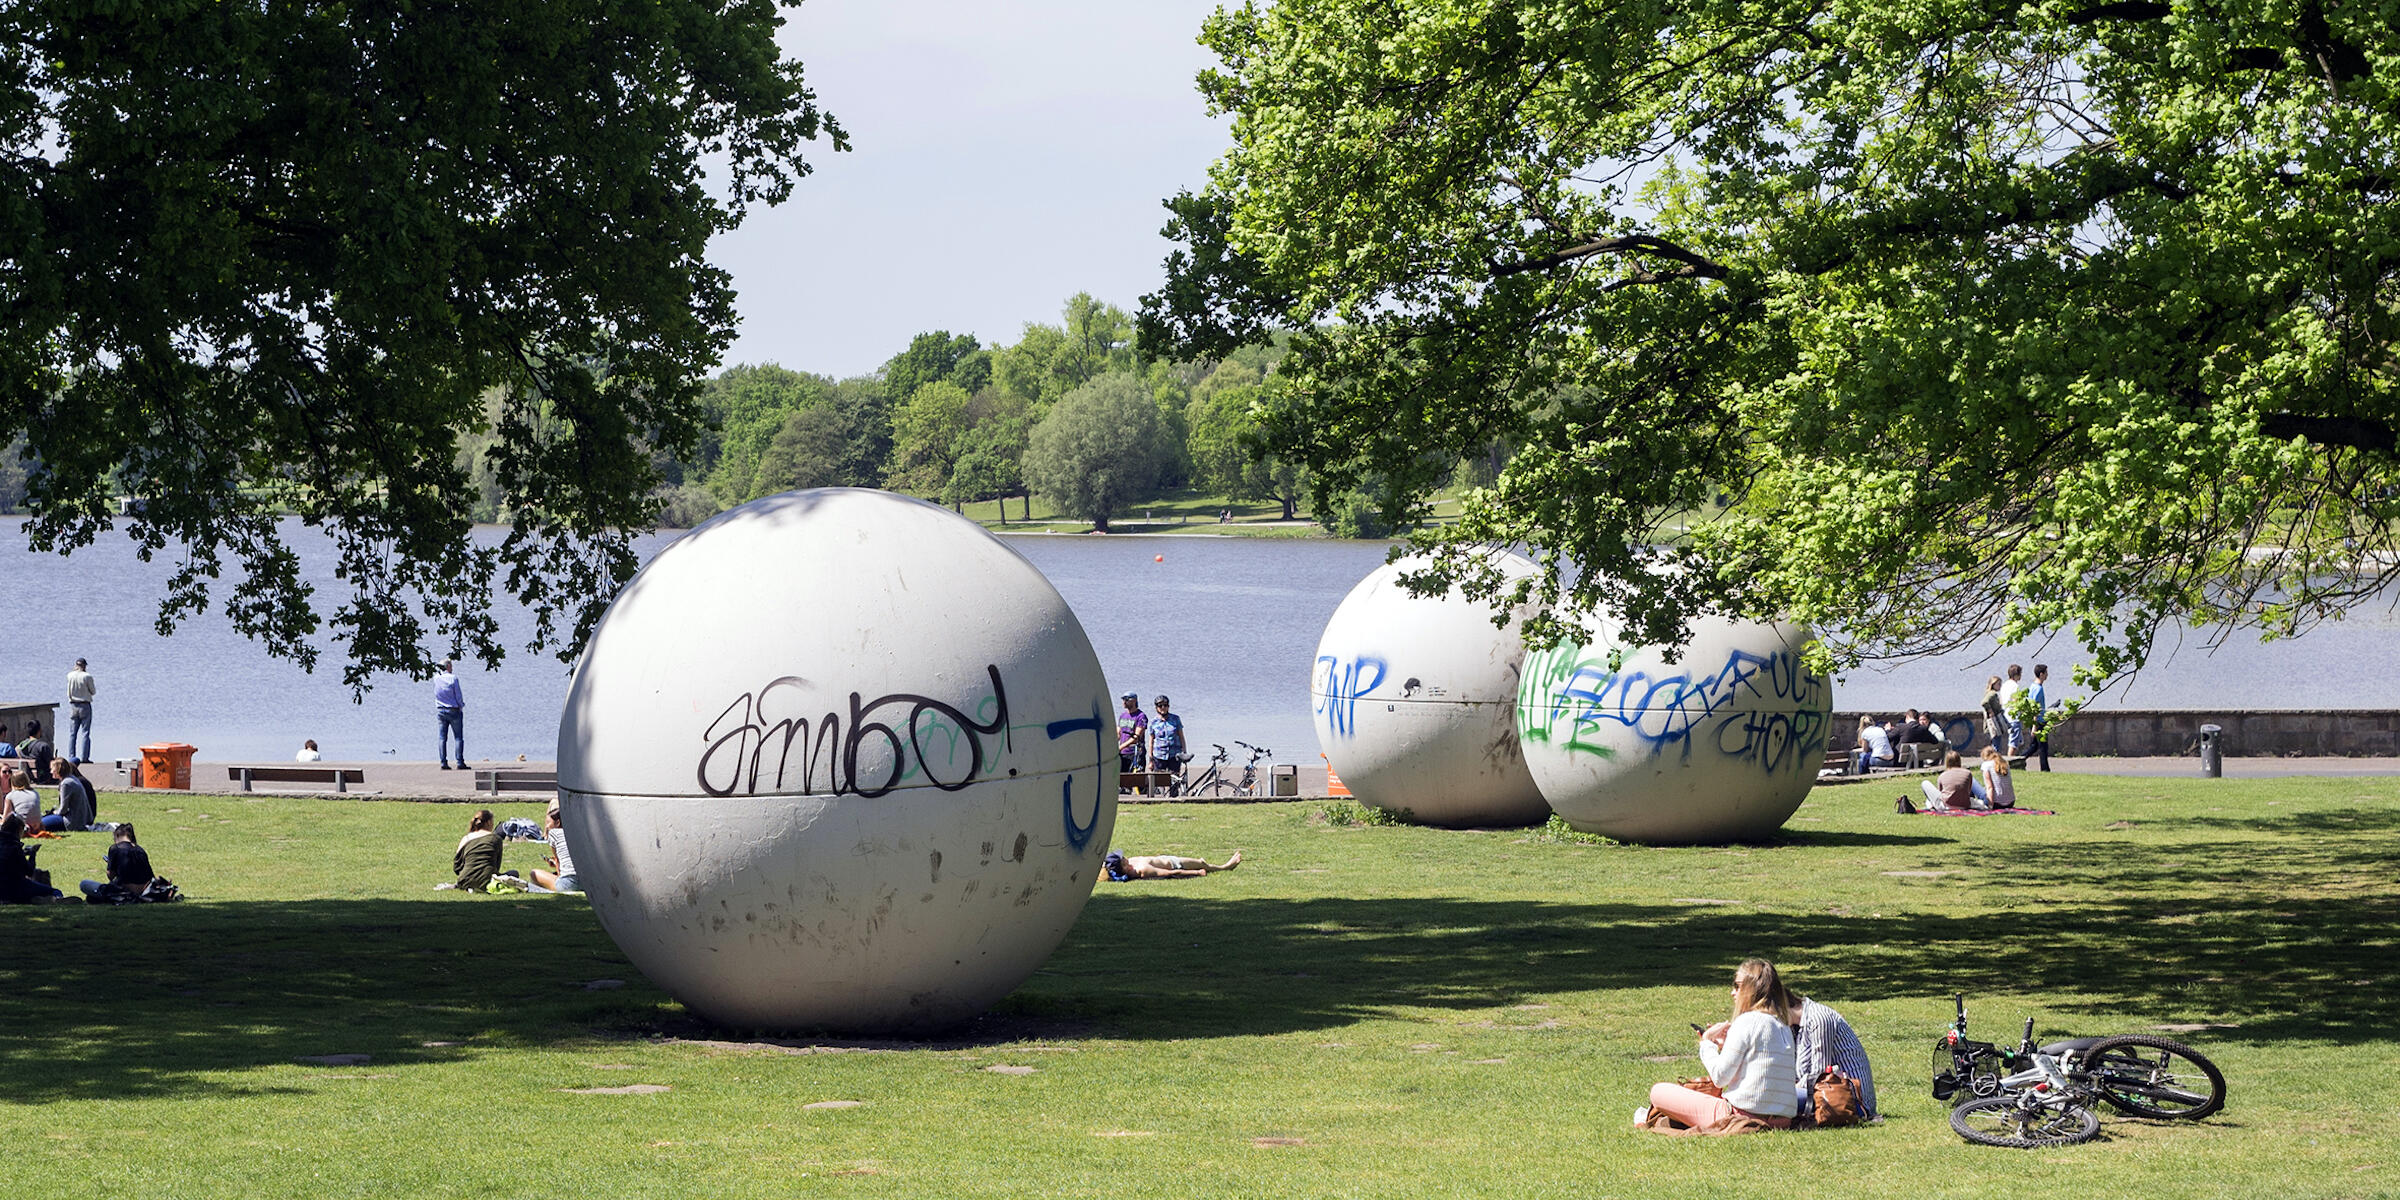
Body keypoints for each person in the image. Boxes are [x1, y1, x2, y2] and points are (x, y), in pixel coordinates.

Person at [1639, 959, 1799, 1134]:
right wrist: (1726, 1047)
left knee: (1658, 1091)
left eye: (1737, 986)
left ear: (1751, 989)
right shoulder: (1783, 1026)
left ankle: (1646, 1118)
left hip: (1742, 1115)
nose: (1733, 992)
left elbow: (1720, 1077)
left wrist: (1707, 1043)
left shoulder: (1747, 1021)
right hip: (1783, 1120)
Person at [1792, 992, 1879, 1123]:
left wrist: (1788, 1089)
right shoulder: (1798, 1025)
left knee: (1769, 1099)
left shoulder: (1819, 1019)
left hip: (1850, 1101)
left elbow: (1819, 1074)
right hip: (1825, 1092)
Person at [79, 821, 155, 900]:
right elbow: (149, 876)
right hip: (143, 891)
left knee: (84, 884)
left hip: (124, 892)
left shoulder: (115, 848)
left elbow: (110, 876)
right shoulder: (140, 850)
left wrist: (111, 864)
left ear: (117, 835)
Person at [0, 815, 62, 903]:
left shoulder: (5, 843)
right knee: (55, 891)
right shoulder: (15, 847)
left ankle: (32, 899)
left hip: (2, 891)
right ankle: (57, 900)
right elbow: (29, 871)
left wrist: (24, 853)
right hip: (15, 887)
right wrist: (33, 854)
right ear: (19, 830)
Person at [529, 802, 580, 894]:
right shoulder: (577, 832)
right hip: (588, 882)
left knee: (534, 873)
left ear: (558, 823)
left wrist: (558, 870)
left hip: (568, 883)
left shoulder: (554, 833)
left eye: (548, 823)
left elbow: (558, 860)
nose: (547, 826)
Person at [1102, 849, 1242, 880]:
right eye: (1123, 859)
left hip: (1167, 858)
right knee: (1201, 863)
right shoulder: (1142, 870)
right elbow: (1169, 874)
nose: (1126, 857)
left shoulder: (1131, 863)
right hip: (1176, 864)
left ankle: (1225, 866)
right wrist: (1196, 873)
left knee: (1201, 862)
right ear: (1123, 866)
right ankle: (1226, 867)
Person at [451, 809, 502, 891]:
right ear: (488, 822)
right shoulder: (495, 838)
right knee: (513, 873)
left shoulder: (466, 838)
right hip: (488, 880)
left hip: (464, 881)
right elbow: (496, 865)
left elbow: (457, 866)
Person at [1918, 751, 1983, 810]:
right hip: (1964, 805)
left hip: (1946, 806)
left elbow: (1940, 792)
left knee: (1925, 783)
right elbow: (1968, 791)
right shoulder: (1968, 773)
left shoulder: (1942, 776)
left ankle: (1930, 804)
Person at [44, 759, 96, 832]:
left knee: (41, 824)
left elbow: (63, 809)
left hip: (72, 822)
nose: (51, 772)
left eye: (52, 769)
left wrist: (54, 812)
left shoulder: (66, 784)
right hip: (82, 818)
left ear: (58, 770)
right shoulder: (72, 778)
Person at [1146, 695, 1187, 783]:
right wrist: (1150, 759)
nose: (1163, 708)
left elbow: (1181, 737)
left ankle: (1174, 796)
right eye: (1160, 706)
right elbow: (1151, 741)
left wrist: (1184, 752)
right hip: (1159, 755)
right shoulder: (1154, 722)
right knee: (1159, 782)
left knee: (1175, 781)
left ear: (1168, 706)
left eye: (1165, 705)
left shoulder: (1175, 719)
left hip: (1174, 755)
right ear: (1156, 707)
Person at [433, 659, 466, 770]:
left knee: (442, 737)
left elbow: (437, 692)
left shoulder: (436, 678)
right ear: (448, 667)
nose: (452, 668)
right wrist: (461, 705)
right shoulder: (453, 678)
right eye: (451, 666)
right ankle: (460, 762)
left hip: (441, 710)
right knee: (458, 737)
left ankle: (443, 762)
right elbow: (458, 695)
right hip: (454, 710)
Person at [65, 657, 96, 764]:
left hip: (73, 705)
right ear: (84, 666)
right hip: (85, 705)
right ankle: (84, 758)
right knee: (85, 733)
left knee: (72, 734)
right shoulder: (87, 676)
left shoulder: (70, 675)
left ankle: (71, 757)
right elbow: (93, 691)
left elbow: (68, 692)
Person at [2027, 663, 2053, 771]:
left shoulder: (2032, 686)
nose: (2047, 675)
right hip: (2039, 721)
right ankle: (2045, 769)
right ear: (2041, 674)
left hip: (2036, 721)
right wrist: (2035, 725)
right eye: (2046, 672)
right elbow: (2035, 708)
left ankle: (2018, 759)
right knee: (2042, 747)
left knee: (2035, 746)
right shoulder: (2038, 689)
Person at [1115, 692, 1148, 774]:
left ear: (1134, 701)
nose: (1124, 702)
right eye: (1123, 700)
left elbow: (1136, 737)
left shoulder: (1141, 716)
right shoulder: (1122, 716)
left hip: (1135, 753)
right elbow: (1118, 734)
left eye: (1126, 700)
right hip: (1122, 753)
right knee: (1122, 779)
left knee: (1136, 781)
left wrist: (1121, 747)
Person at [1999, 664, 2026, 755]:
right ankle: (2009, 762)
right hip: (2014, 717)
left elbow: (2001, 701)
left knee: (2019, 741)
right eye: (2020, 674)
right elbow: (2016, 701)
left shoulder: (2004, 685)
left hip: (2006, 715)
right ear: (2016, 675)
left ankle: (2017, 762)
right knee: (2013, 743)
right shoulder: (2015, 686)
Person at [1979, 675, 2006, 755]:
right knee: (1996, 743)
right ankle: (1995, 760)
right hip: (1994, 722)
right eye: (1998, 684)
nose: (2000, 686)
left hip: (1993, 722)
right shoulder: (1992, 694)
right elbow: (1984, 702)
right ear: (1993, 684)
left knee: (1994, 742)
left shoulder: (1990, 693)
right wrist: (1991, 711)